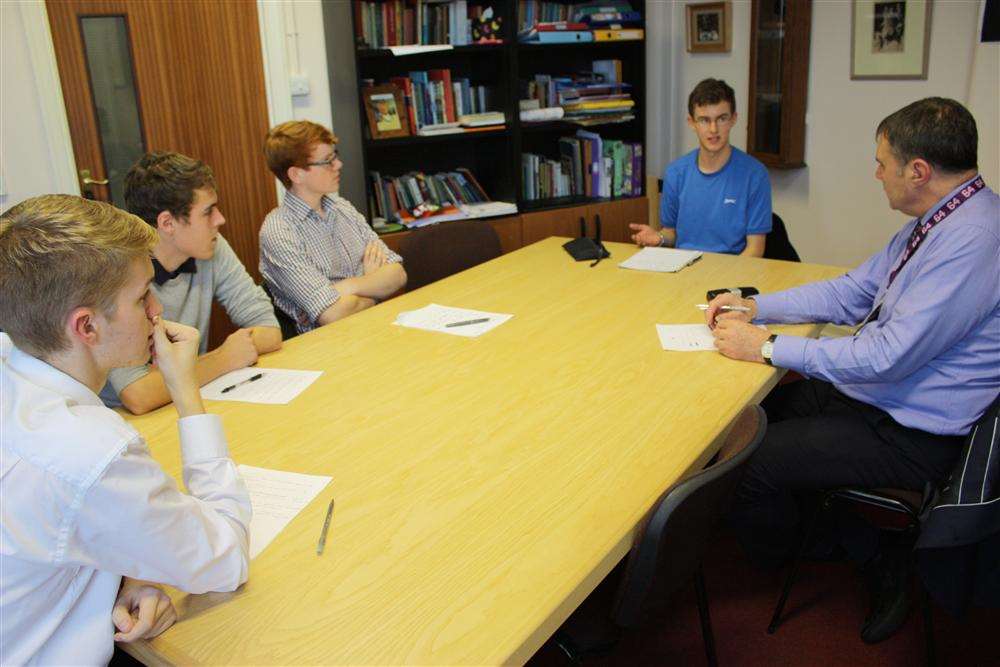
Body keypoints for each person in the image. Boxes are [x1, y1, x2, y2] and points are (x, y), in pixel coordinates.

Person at [705, 97, 999, 642]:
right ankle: (840, 531)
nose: (876, 173)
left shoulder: (975, 241)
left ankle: (853, 552)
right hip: (881, 395)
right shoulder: (943, 216)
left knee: (748, 462)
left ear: (919, 171)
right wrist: (756, 305)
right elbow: (854, 290)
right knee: (753, 415)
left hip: (911, 430)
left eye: (883, 162)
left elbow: (888, 356)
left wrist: (767, 347)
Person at [0, 195, 251, 664]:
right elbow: (226, 558)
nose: (158, 310)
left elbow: (59, 527)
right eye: (141, 297)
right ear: (86, 326)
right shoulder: (89, 453)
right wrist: (186, 392)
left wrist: (126, 568)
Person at [101, 151, 282, 414]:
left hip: (187, 399)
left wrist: (193, 368)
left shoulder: (211, 247)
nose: (220, 220)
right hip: (127, 422)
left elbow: (268, 329)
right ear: (167, 223)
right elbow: (138, 394)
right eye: (208, 212)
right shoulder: (119, 275)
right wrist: (224, 358)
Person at [260, 120, 406, 333]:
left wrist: (349, 286)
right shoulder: (279, 233)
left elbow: (398, 274)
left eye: (335, 156)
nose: (338, 165)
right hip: (326, 347)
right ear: (296, 175)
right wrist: (374, 285)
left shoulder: (342, 208)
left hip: (373, 329)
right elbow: (332, 314)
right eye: (327, 161)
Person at [629, 78, 772, 256]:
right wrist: (659, 239)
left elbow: (755, 249)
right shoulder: (676, 173)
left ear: (733, 119)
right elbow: (671, 233)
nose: (713, 129)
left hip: (731, 271)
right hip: (685, 271)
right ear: (692, 123)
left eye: (721, 119)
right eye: (704, 120)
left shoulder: (755, 175)